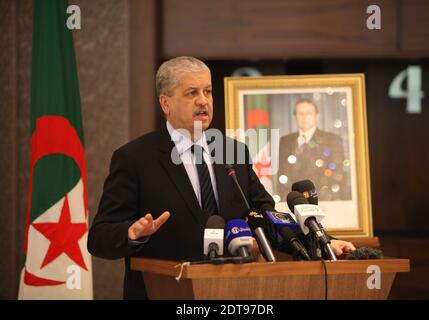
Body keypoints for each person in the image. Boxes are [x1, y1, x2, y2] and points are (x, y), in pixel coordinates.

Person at [88, 57, 355, 299]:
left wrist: (322, 242)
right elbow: (99, 238)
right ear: (165, 103)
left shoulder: (233, 152)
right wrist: (132, 233)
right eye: (191, 93)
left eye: (207, 91)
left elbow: (265, 215)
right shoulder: (135, 158)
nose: (203, 101)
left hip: (232, 293)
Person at [277, 99, 349, 201]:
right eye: (300, 113)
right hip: (294, 202)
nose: (304, 117)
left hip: (325, 202)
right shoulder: (285, 141)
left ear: (317, 115)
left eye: (308, 113)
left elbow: (339, 176)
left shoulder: (332, 140)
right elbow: (282, 174)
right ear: (295, 116)